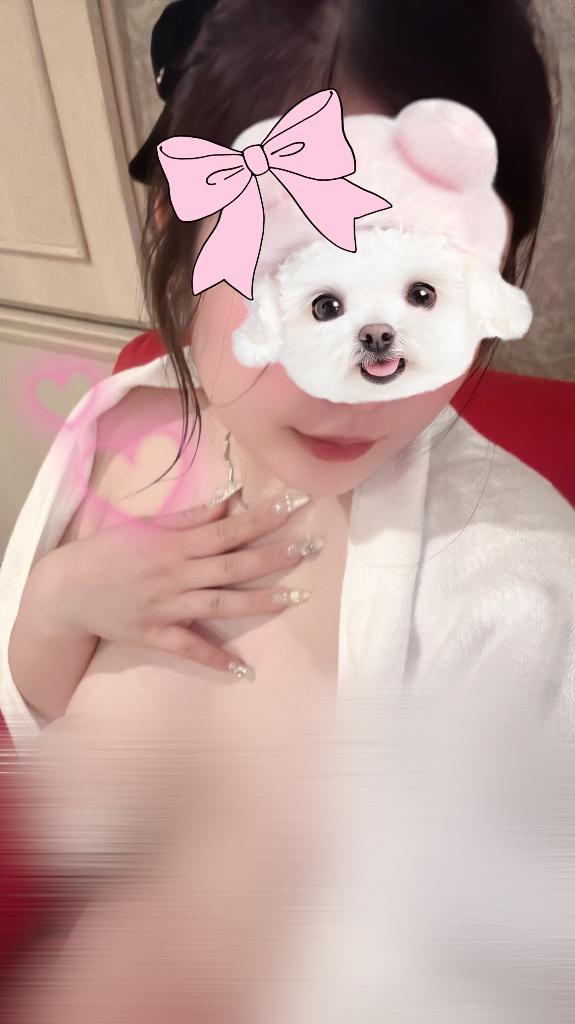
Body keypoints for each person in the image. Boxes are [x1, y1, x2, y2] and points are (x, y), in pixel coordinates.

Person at [1, 0, 574, 1020]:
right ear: (175, 224)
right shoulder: (122, 428)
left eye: (424, 287)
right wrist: (58, 605)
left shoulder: (516, 589)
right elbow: (42, 756)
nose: (355, 378)